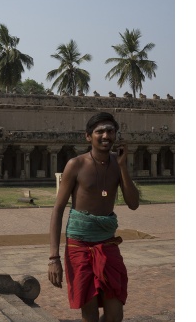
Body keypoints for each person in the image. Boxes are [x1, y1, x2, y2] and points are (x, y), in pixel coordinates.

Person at [48, 112, 139, 322]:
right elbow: (58, 209)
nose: (106, 135)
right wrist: (53, 258)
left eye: (110, 131)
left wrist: (123, 167)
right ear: (88, 136)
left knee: (115, 311)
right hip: (79, 246)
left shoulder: (119, 163)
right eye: (100, 131)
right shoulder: (76, 165)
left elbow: (133, 204)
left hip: (107, 244)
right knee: (89, 313)